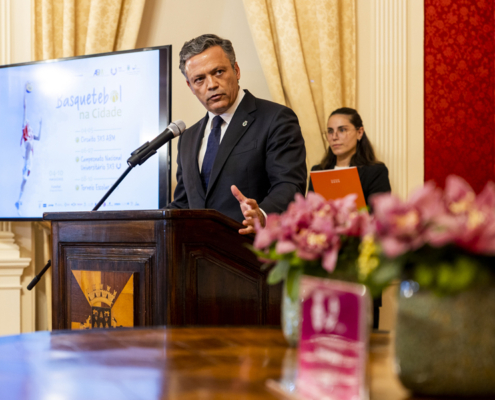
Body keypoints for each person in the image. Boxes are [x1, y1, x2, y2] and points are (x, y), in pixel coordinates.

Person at [168, 34, 307, 234]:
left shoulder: (275, 119)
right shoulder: (188, 138)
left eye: (218, 72)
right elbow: (183, 204)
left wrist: (262, 215)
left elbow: (289, 185)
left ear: (236, 70)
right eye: (199, 79)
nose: (211, 85)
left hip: (250, 253)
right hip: (199, 258)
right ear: (190, 86)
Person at [308, 107, 391, 204]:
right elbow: (308, 212)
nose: (334, 137)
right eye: (330, 131)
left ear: (359, 132)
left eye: (342, 130)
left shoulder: (375, 172)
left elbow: (380, 215)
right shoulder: (318, 172)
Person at [16, 84, 42, 214]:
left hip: (30, 157)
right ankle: (20, 200)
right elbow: (24, 108)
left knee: (25, 180)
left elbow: (38, 137)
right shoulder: (24, 125)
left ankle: (20, 200)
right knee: (29, 146)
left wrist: (40, 125)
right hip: (26, 149)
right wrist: (24, 93)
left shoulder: (31, 131)